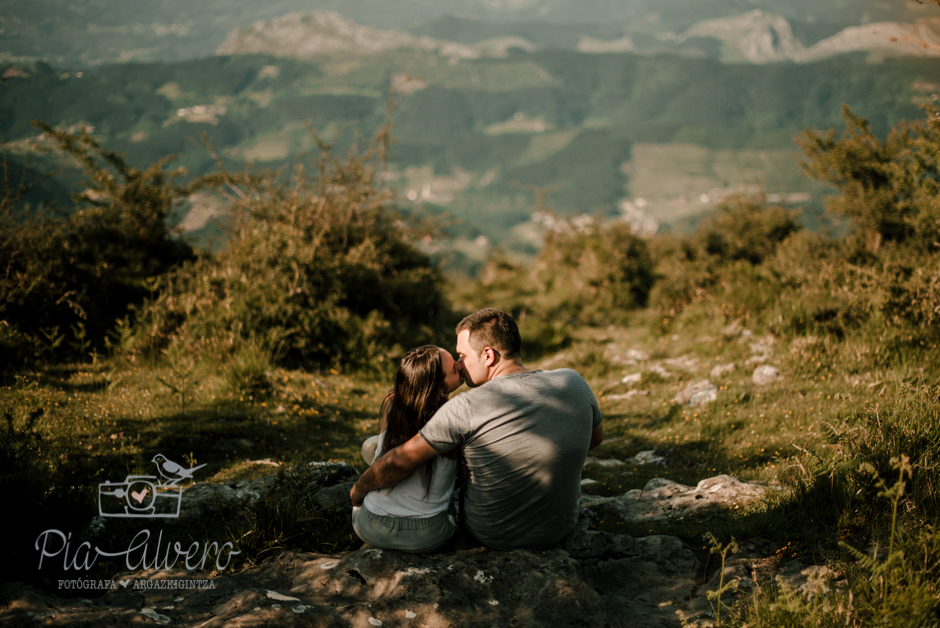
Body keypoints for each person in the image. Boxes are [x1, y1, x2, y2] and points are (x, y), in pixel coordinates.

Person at [351, 308, 604, 550]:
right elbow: (593, 440)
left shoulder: (465, 406)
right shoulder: (574, 381)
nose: (460, 364)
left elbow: (400, 462)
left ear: (488, 355)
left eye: (462, 356)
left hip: (493, 533)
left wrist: (359, 489)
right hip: (559, 527)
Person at [351, 345, 464, 553]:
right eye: (455, 370)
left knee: (374, 445)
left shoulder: (393, 402)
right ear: (438, 389)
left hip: (370, 526)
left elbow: (386, 457)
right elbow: (396, 465)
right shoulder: (453, 418)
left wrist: (358, 492)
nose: (461, 364)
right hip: (428, 535)